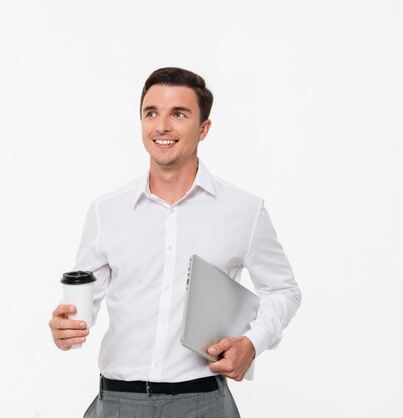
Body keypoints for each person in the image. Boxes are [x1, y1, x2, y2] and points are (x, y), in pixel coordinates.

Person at [49, 67, 302, 417]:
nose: (162, 126)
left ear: (204, 128)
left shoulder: (244, 210)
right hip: (119, 402)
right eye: (151, 113)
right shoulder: (107, 211)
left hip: (203, 401)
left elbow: (283, 290)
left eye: (178, 114)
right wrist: (67, 327)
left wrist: (252, 343)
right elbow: (82, 305)